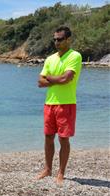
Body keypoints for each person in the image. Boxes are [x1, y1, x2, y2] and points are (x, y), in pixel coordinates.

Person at [37, 26, 82, 185]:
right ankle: (47, 169)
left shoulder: (74, 56)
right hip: (49, 103)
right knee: (48, 137)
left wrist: (49, 78)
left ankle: (61, 173)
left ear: (68, 39)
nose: (56, 42)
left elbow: (66, 79)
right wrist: (56, 79)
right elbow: (40, 82)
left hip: (67, 103)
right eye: (55, 39)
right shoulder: (50, 59)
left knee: (64, 139)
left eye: (60, 39)